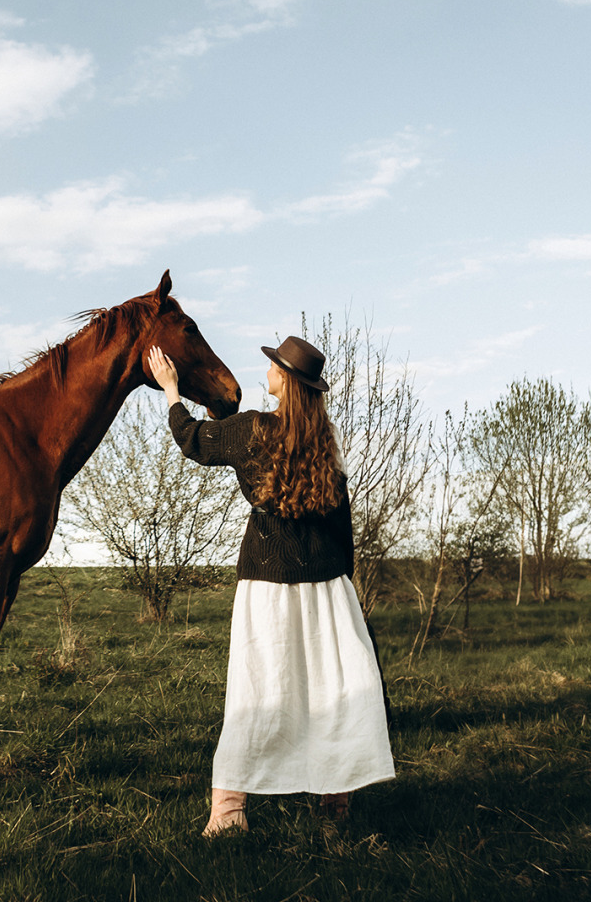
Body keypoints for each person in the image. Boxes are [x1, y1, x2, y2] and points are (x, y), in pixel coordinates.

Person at [145, 335, 394, 835]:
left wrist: (171, 390)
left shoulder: (253, 429)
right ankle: (334, 806)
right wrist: (343, 589)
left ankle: (229, 810)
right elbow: (341, 525)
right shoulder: (326, 442)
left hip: (268, 583)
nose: (269, 370)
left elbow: (193, 439)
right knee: (331, 690)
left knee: (256, 689)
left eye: (275, 366)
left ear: (285, 382)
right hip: (327, 585)